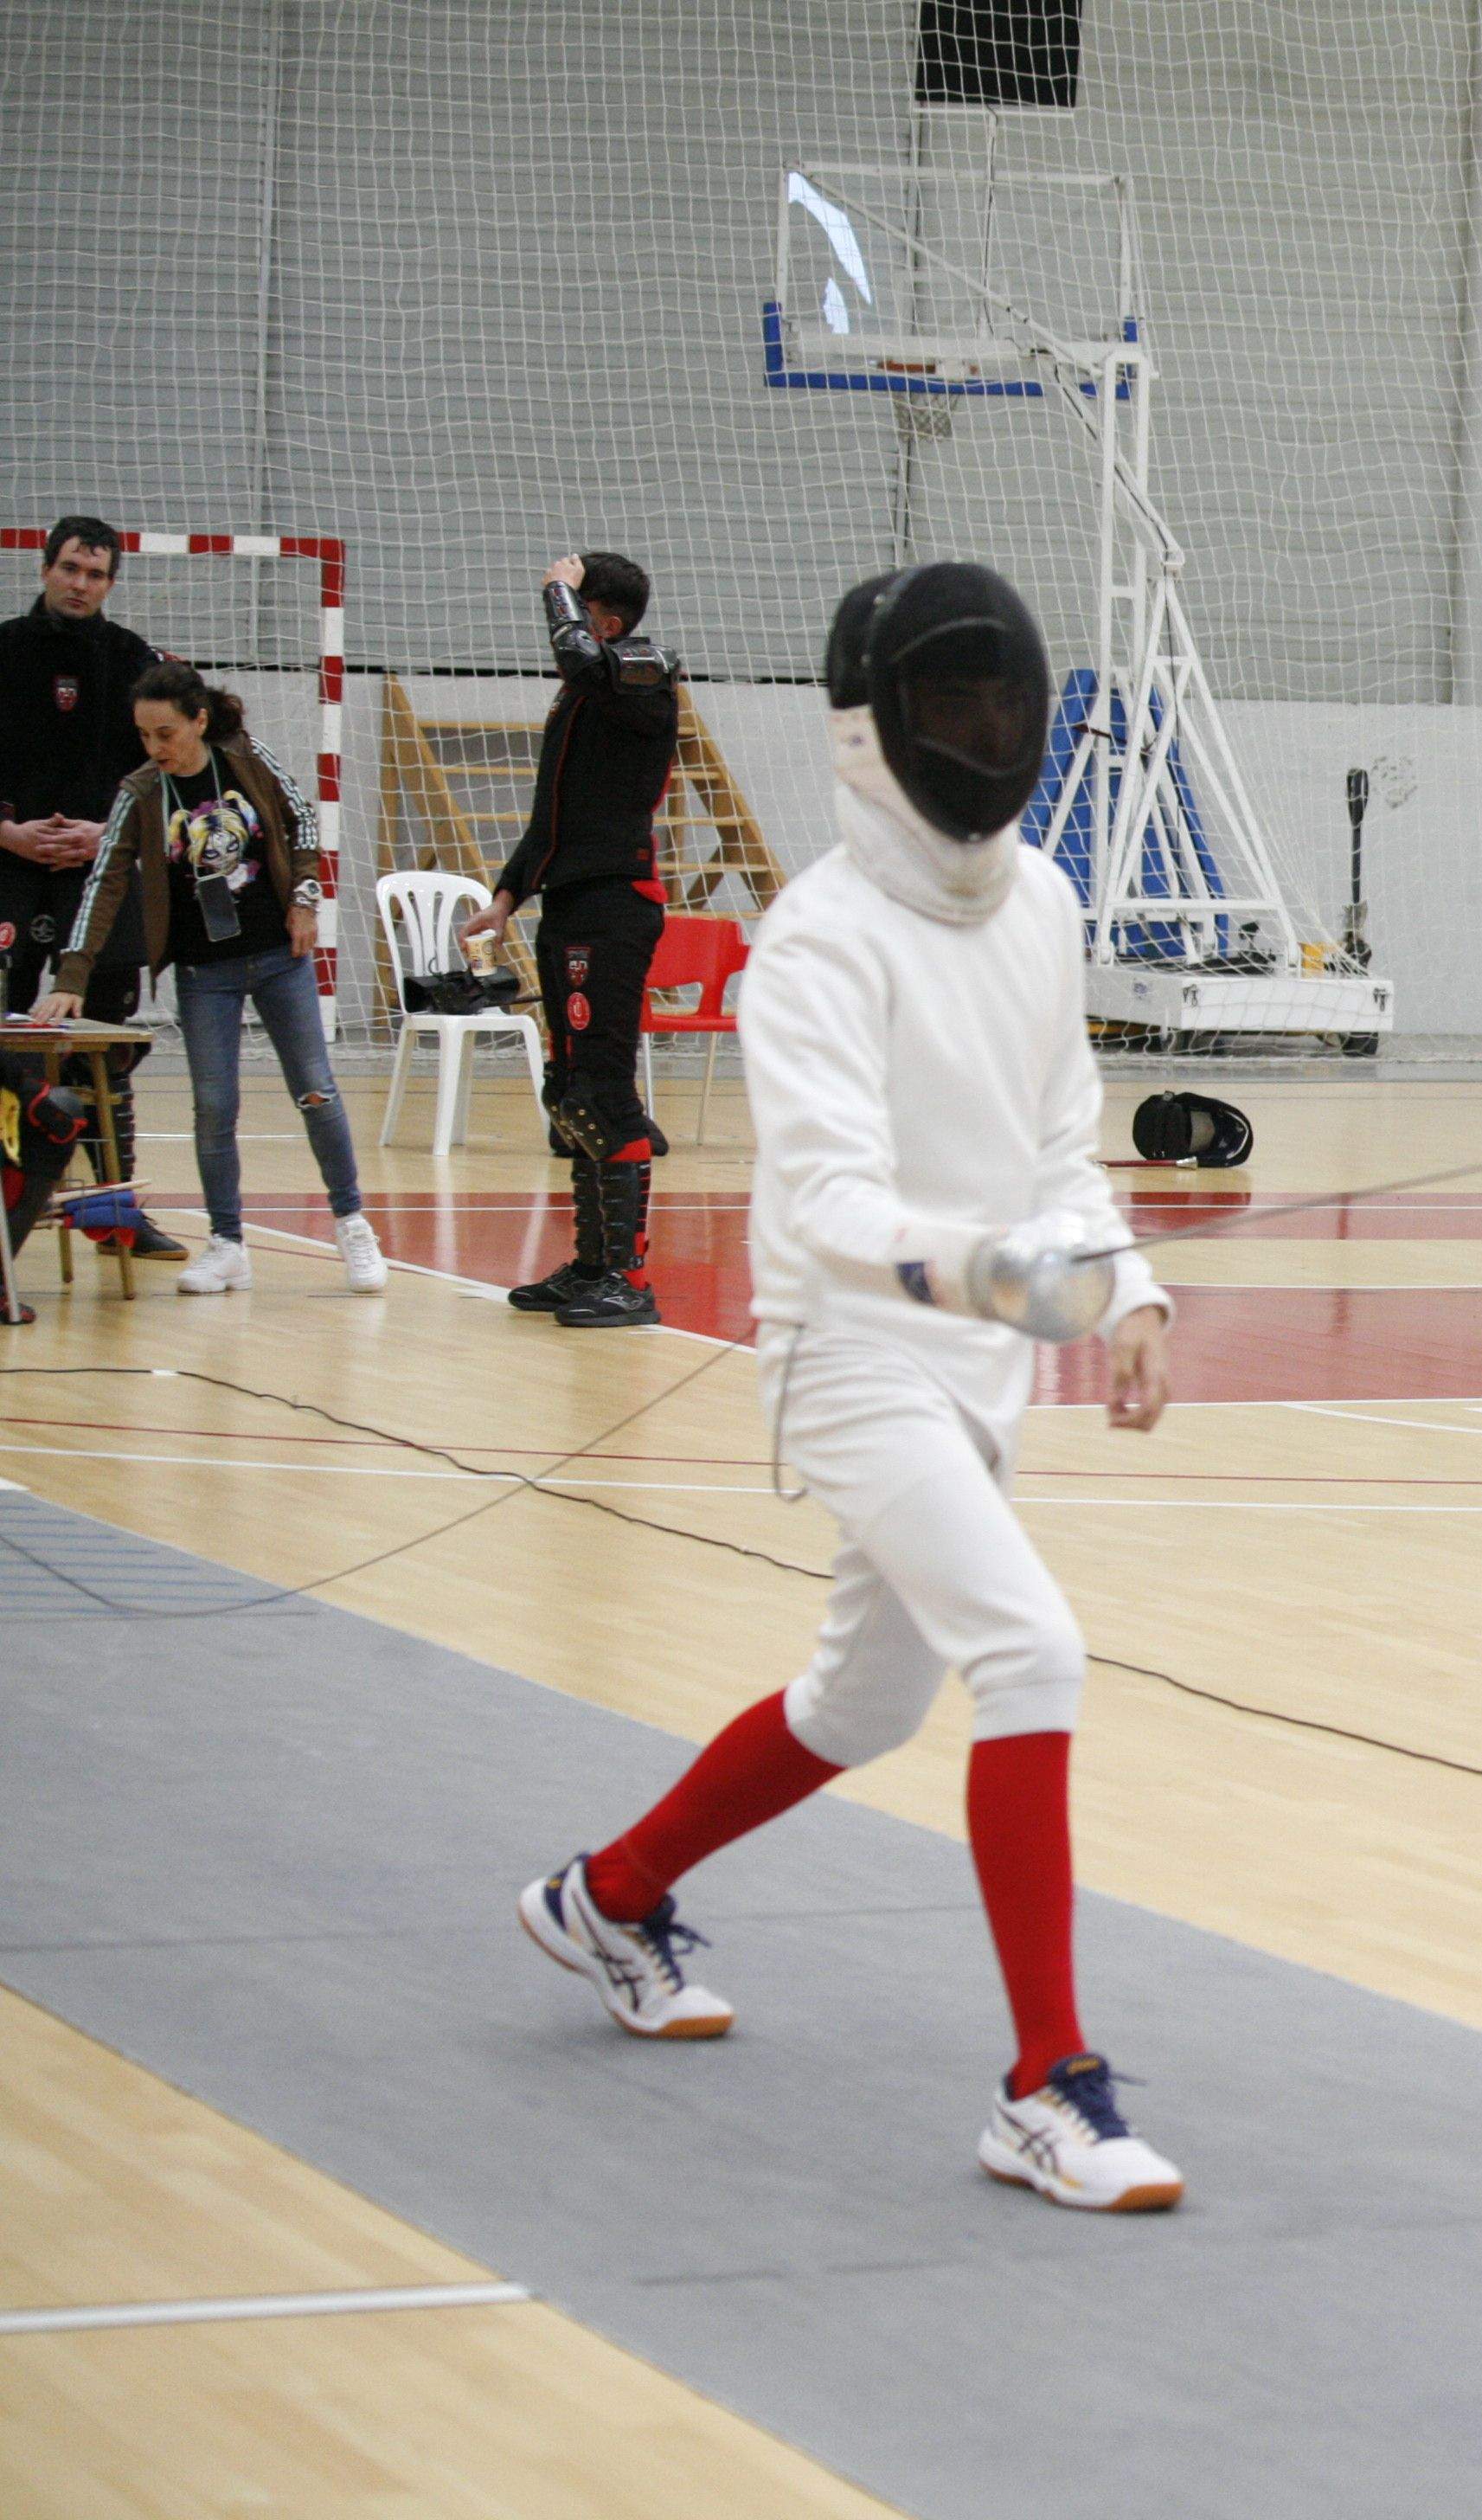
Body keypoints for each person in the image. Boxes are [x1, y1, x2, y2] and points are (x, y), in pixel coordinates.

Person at [520, 562, 1184, 2213]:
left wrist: (1131, 1285)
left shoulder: (1036, 905)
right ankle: (1046, 2087)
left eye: (999, 704)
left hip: (971, 1362)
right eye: (949, 706)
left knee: (863, 1704)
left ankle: (607, 1895)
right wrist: (1008, 1279)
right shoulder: (815, 935)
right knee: (1029, 1649)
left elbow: (1053, 1148)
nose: (981, 732)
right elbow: (827, 1208)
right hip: (849, 1356)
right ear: (876, 731)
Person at [34, 662, 383, 1296]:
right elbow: (105, 880)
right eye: (144, 736)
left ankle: (352, 1221)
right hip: (204, 973)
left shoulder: (245, 758)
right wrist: (73, 972)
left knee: (316, 1090)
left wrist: (306, 898)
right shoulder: (140, 792)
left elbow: (303, 819)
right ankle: (227, 1243)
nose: (156, 748)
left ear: (198, 721)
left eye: (166, 733)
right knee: (213, 1106)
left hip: (281, 958)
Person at [460, 551, 677, 1329]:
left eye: (574, 604)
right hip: (570, 907)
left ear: (605, 618)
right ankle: (592, 1263)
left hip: (615, 909)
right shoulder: (582, 698)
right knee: (568, 1095)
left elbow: (581, 659)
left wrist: (556, 586)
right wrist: (507, 896)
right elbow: (550, 818)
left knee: (605, 1097)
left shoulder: (643, 670)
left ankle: (628, 1277)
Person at [0, 516, 183, 1256]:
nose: (81, 584)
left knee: (109, 1045)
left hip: (100, 873)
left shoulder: (134, 662)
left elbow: (167, 769)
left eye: (96, 574)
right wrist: (6, 832)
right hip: (8, 867)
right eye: (71, 568)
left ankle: (115, 1214)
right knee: (4, 1038)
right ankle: (8, 1213)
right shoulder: (4, 650)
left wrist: (107, 832)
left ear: (111, 583)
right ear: (46, 568)